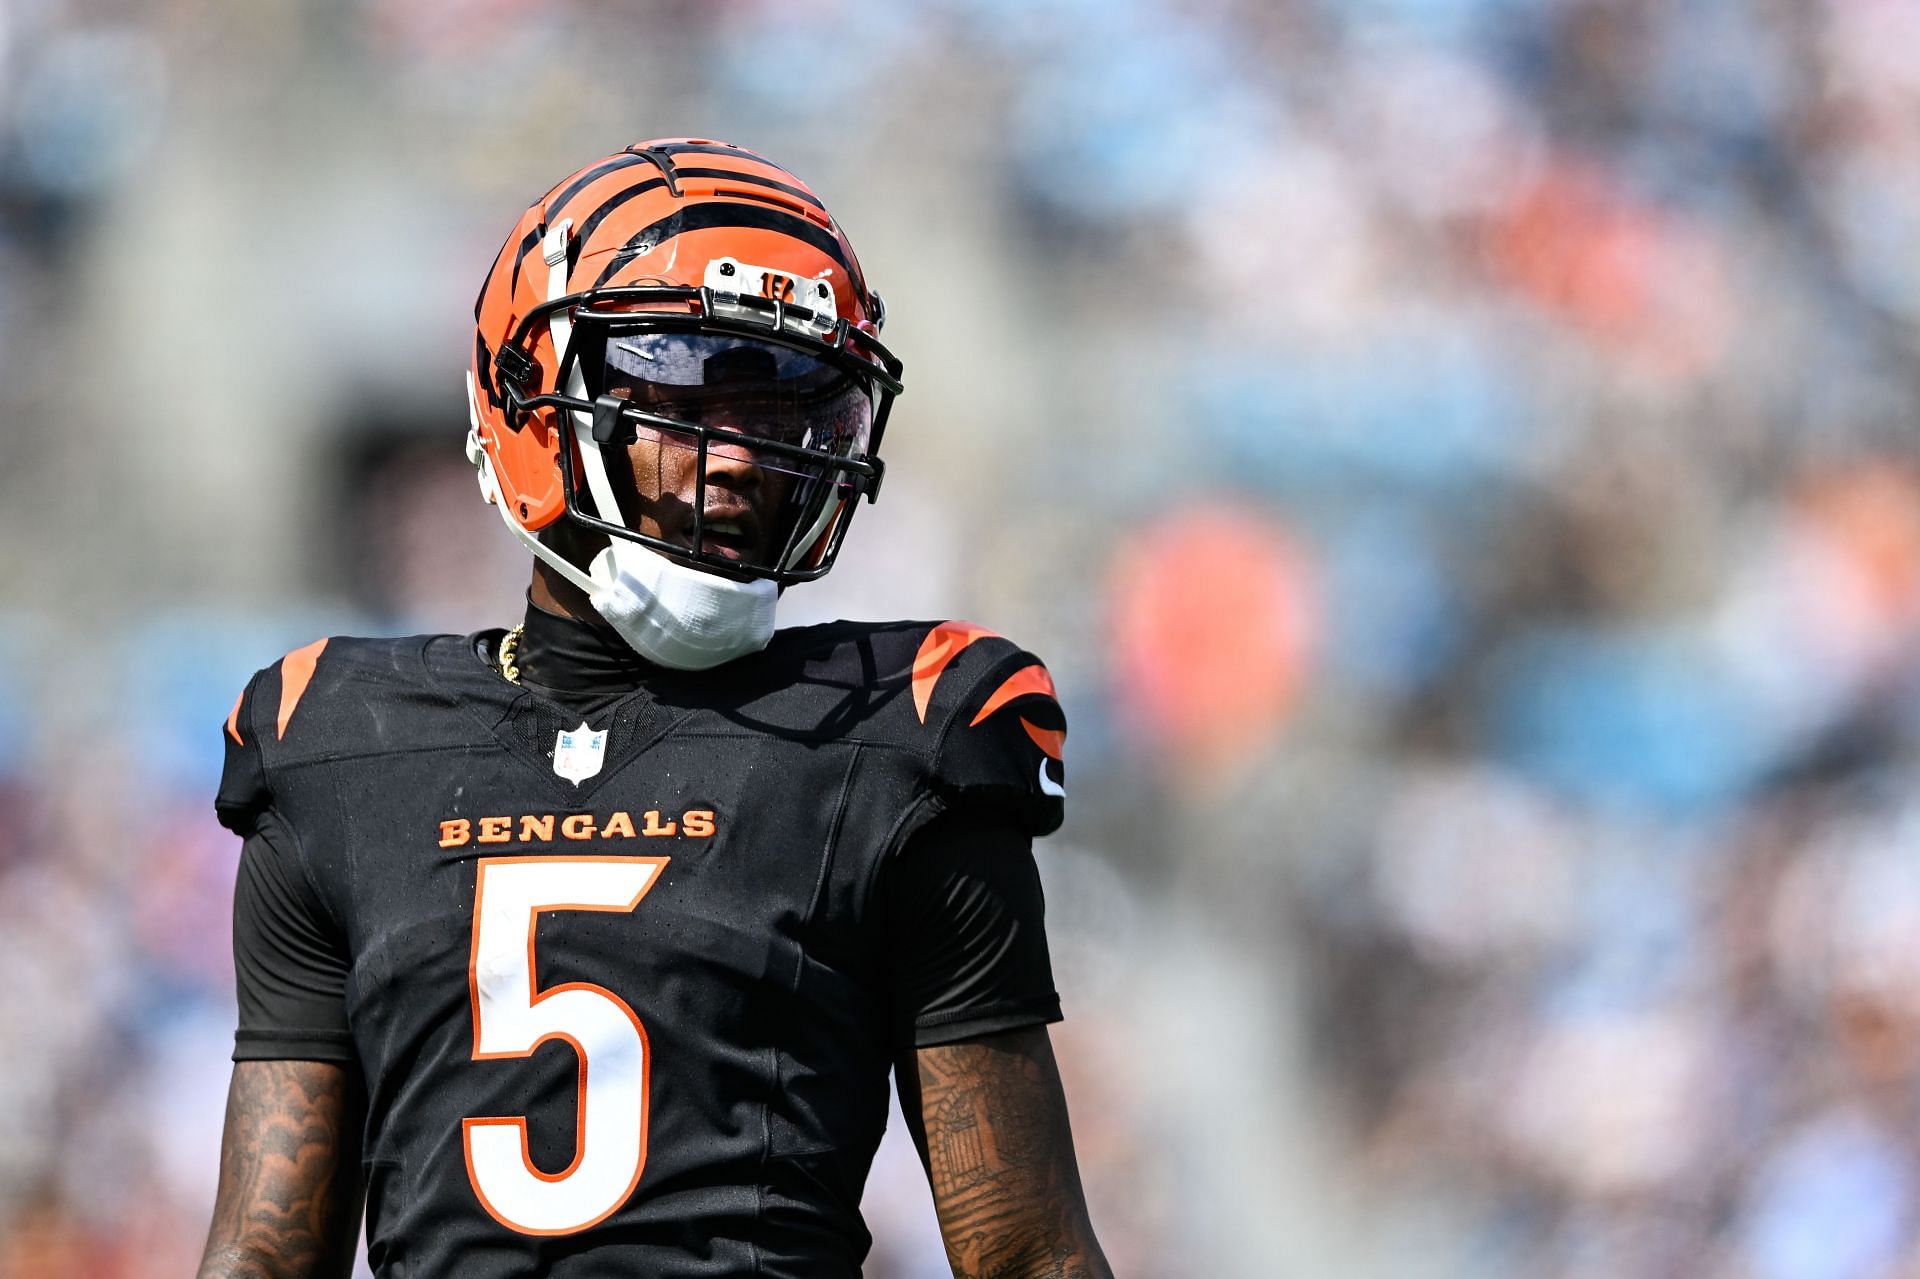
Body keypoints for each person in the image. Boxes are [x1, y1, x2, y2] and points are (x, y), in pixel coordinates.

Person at [196, 139, 1112, 1279]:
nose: (744, 461)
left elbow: (1022, 1252)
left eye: (785, 407)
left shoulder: (900, 736)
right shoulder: (330, 743)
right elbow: (266, 1254)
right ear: (533, 404)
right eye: (686, 390)